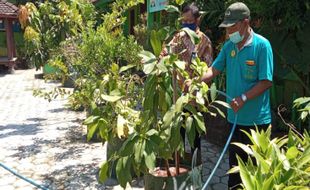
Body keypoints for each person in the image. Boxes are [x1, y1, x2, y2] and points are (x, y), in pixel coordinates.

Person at [198, 2, 273, 189]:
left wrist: (244, 98)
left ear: (245, 22)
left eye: (232, 27)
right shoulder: (229, 47)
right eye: (227, 27)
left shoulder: (262, 46)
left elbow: (266, 81)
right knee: (235, 171)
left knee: (255, 175)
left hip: (257, 123)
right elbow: (214, 70)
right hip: (234, 119)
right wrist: (195, 81)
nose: (228, 32)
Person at [161, 3, 213, 164]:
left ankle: (196, 168)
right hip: (177, 94)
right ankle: (180, 166)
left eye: (189, 21)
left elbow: (209, 69)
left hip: (194, 97)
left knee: (194, 135)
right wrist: (160, 58)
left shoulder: (204, 41)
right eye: (184, 21)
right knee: (178, 132)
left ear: (197, 20)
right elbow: (165, 53)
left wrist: (198, 86)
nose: (186, 24)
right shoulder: (177, 37)